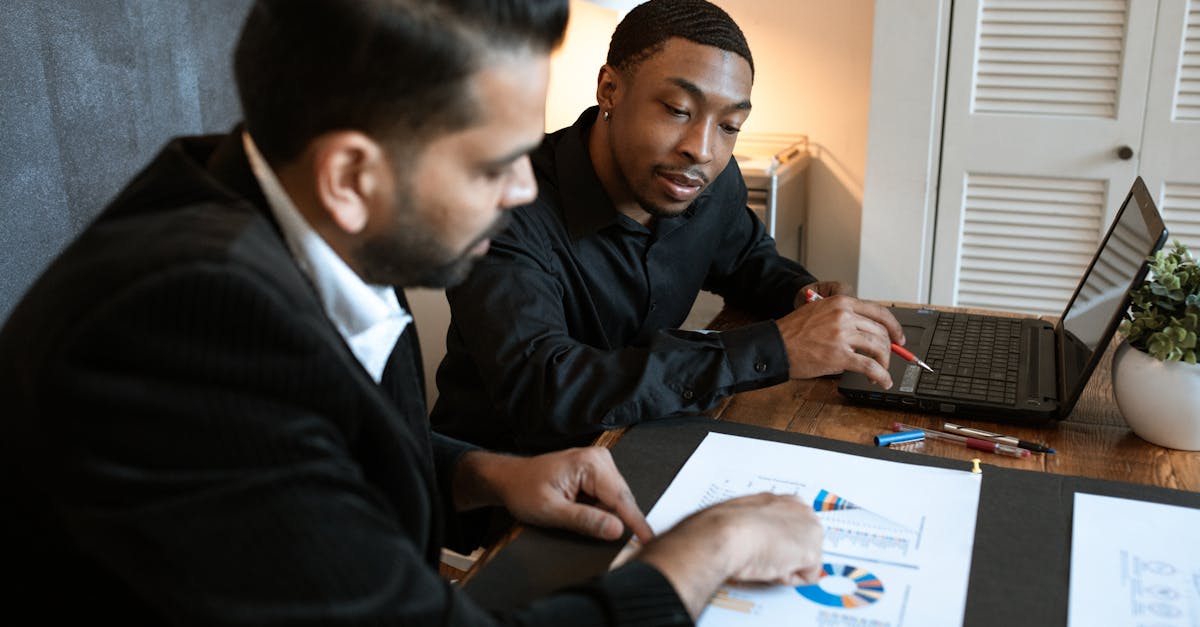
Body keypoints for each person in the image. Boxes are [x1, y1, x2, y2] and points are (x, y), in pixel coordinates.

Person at [0, 0, 825, 624]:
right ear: (351, 175)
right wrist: (707, 549)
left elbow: (320, 438)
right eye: (493, 165)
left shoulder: (298, 211)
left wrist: (483, 471)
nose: (525, 190)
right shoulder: (194, 334)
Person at [431, 0, 905, 454]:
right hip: (508, 479)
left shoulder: (707, 181)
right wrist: (775, 349)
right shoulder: (506, 205)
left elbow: (746, 259)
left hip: (643, 441)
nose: (702, 149)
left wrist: (804, 297)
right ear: (609, 89)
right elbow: (546, 390)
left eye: (729, 125)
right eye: (678, 110)